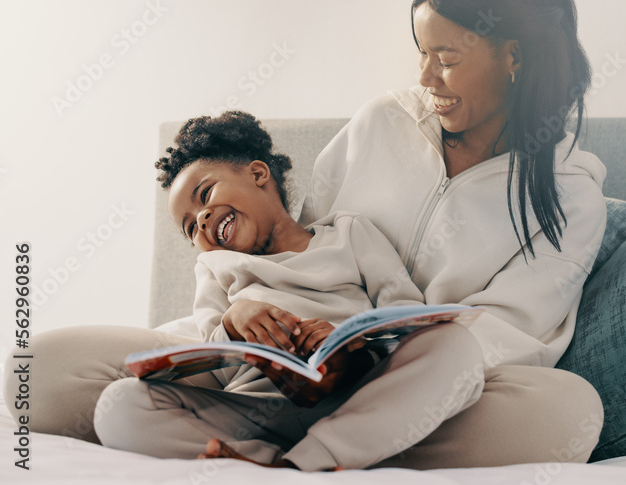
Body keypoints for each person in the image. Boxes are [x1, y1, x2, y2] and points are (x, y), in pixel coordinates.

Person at [4, 0, 607, 470]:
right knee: (38, 372)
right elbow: (299, 243)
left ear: (515, 55)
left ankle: (316, 451)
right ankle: (320, 448)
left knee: (566, 409)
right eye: (421, 52)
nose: (426, 78)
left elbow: (513, 337)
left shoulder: (571, 192)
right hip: (273, 360)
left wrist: (364, 352)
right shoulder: (382, 122)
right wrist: (255, 329)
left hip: (416, 384)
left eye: (447, 59)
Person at [93, 111, 487, 471]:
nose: (203, 220)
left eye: (206, 196)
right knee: (119, 404)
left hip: (356, 397)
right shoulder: (215, 267)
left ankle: (308, 460)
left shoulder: (349, 233)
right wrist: (234, 322)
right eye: (191, 227)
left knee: (454, 345)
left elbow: (404, 313)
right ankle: (275, 462)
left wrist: (350, 345)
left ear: (259, 174)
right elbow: (213, 353)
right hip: (261, 410)